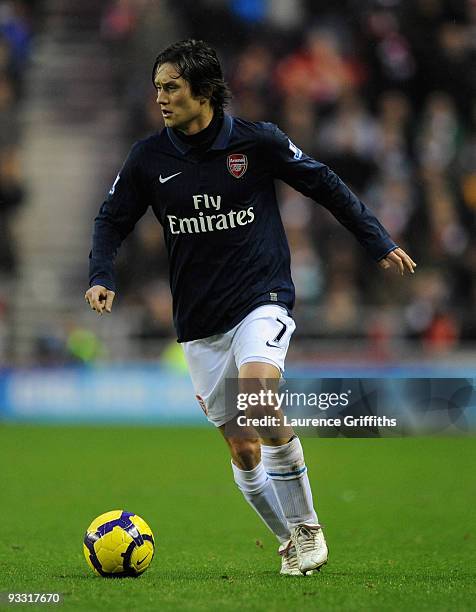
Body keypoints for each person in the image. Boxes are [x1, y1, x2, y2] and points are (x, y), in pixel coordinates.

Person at [85, 39, 416, 576]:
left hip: (261, 298)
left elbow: (326, 185)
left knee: (258, 401)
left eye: (171, 86)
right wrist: (102, 275)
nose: (162, 98)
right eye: (158, 88)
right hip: (198, 321)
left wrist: (377, 240)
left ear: (205, 91)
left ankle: (308, 527)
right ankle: (290, 540)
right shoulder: (150, 157)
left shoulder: (257, 143)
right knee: (243, 449)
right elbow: (110, 220)